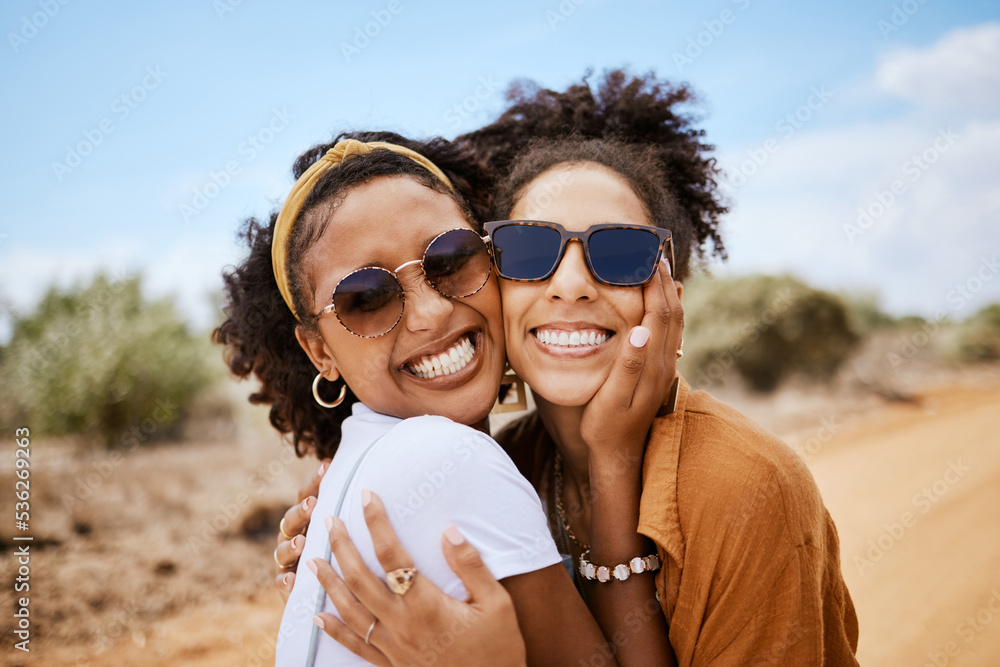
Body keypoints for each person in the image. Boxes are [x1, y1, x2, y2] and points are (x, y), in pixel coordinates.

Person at [277, 71, 861, 666]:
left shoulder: (745, 486)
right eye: (532, 252)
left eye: (621, 252)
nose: (574, 286)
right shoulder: (516, 465)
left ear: (670, 293)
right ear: (499, 276)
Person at [216, 129, 682, 666]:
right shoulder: (452, 460)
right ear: (319, 350)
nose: (431, 313)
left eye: (452, 258)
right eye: (366, 297)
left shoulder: (366, 468)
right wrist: (615, 462)